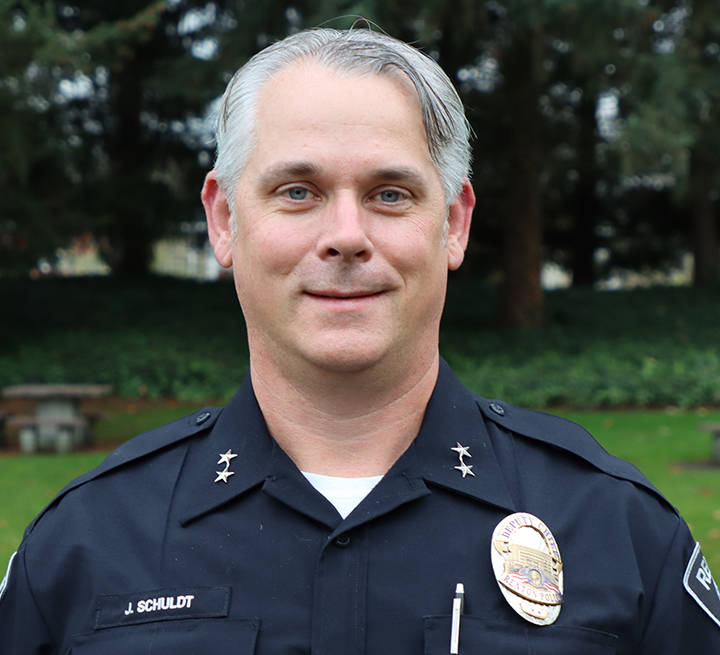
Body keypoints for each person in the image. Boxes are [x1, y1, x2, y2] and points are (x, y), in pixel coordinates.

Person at [1, 26, 718, 654]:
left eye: (389, 194)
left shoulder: (618, 532)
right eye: (298, 191)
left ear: (454, 224)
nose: (346, 236)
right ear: (223, 220)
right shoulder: (83, 545)